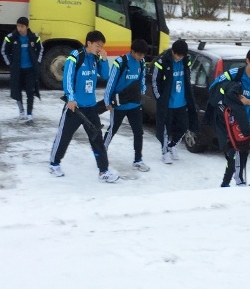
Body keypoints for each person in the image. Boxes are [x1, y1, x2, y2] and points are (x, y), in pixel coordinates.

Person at [49, 30, 118, 182]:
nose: (100, 48)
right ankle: (54, 163)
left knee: (97, 139)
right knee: (64, 136)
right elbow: (67, 78)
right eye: (98, 45)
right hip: (75, 107)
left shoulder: (95, 58)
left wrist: (104, 60)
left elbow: (105, 76)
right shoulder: (75, 57)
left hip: (90, 107)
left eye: (101, 46)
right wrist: (71, 98)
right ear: (89, 43)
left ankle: (103, 171)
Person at [209, 46, 250, 187]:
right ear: (247, 61)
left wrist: (249, 102)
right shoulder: (235, 73)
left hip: (244, 121)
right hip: (228, 121)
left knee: (243, 151)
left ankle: (232, 181)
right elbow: (214, 87)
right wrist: (224, 101)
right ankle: (233, 181)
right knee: (232, 152)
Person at [103, 39, 150, 173]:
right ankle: (101, 152)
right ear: (133, 51)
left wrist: (142, 91)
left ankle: (138, 160)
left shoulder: (141, 62)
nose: (141, 57)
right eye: (139, 55)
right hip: (119, 105)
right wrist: (108, 102)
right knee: (112, 129)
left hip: (135, 104)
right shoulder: (120, 62)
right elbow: (110, 83)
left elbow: (142, 79)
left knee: (138, 132)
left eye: (143, 55)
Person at [151, 39, 199, 164]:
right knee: (165, 129)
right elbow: (155, 81)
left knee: (184, 127)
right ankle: (164, 151)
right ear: (173, 51)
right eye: (178, 55)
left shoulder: (185, 62)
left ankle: (172, 146)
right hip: (167, 103)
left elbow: (188, 81)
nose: (179, 58)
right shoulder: (162, 62)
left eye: (182, 55)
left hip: (181, 102)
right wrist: (160, 99)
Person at [1, 16, 44, 123]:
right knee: (17, 91)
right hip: (17, 70)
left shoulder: (34, 37)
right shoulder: (11, 37)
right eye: (18, 26)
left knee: (30, 91)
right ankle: (21, 111)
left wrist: (37, 62)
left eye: (22, 26)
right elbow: (3, 51)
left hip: (30, 70)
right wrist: (10, 64)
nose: (19, 28)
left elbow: (41, 49)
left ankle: (29, 114)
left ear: (27, 27)